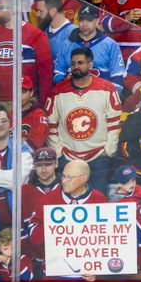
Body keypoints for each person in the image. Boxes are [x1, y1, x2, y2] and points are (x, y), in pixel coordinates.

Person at [45, 47, 121, 194]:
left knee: (98, 199)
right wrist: (58, 151)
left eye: (80, 63)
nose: (76, 67)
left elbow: (114, 122)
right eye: (73, 64)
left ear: (90, 65)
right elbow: (51, 123)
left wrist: (109, 150)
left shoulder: (106, 89)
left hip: (98, 156)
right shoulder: (58, 91)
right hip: (68, 157)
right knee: (69, 200)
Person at [27, 160, 107, 268]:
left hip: (88, 269)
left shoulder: (99, 199)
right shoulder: (49, 198)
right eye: (63, 176)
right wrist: (57, 223)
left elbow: (106, 240)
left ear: (83, 178)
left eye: (69, 177)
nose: (64, 181)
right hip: (54, 268)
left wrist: (96, 271)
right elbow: (33, 236)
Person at [0, 0, 53, 105]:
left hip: (23, 103)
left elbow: (46, 75)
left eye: (0, 7)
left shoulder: (37, 36)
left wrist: (42, 102)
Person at [53, 5, 126, 92]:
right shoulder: (66, 44)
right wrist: (65, 86)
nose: (84, 24)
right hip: (72, 95)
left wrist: (109, 98)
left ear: (97, 21)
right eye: (81, 20)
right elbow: (58, 74)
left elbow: (118, 78)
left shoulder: (110, 45)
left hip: (100, 96)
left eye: (89, 20)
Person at [0, 104, 33, 228]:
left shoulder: (23, 149)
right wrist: (2, 188)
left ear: (9, 123)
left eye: (4, 121)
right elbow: (11, 182)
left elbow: (16, 180)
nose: (0, 125)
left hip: (16, 223)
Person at [34, 0, 77, 67]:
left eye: (40, 11)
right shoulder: (43, 29)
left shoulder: (73, 33)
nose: (37, 14)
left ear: (53, 11)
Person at [21, 76, 50, 151]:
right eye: (16, 91)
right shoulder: (10, 114)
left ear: (31, 93)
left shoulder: (39, 114)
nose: (19, 95)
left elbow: (36, 144)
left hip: (30, 159)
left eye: (23, 91)